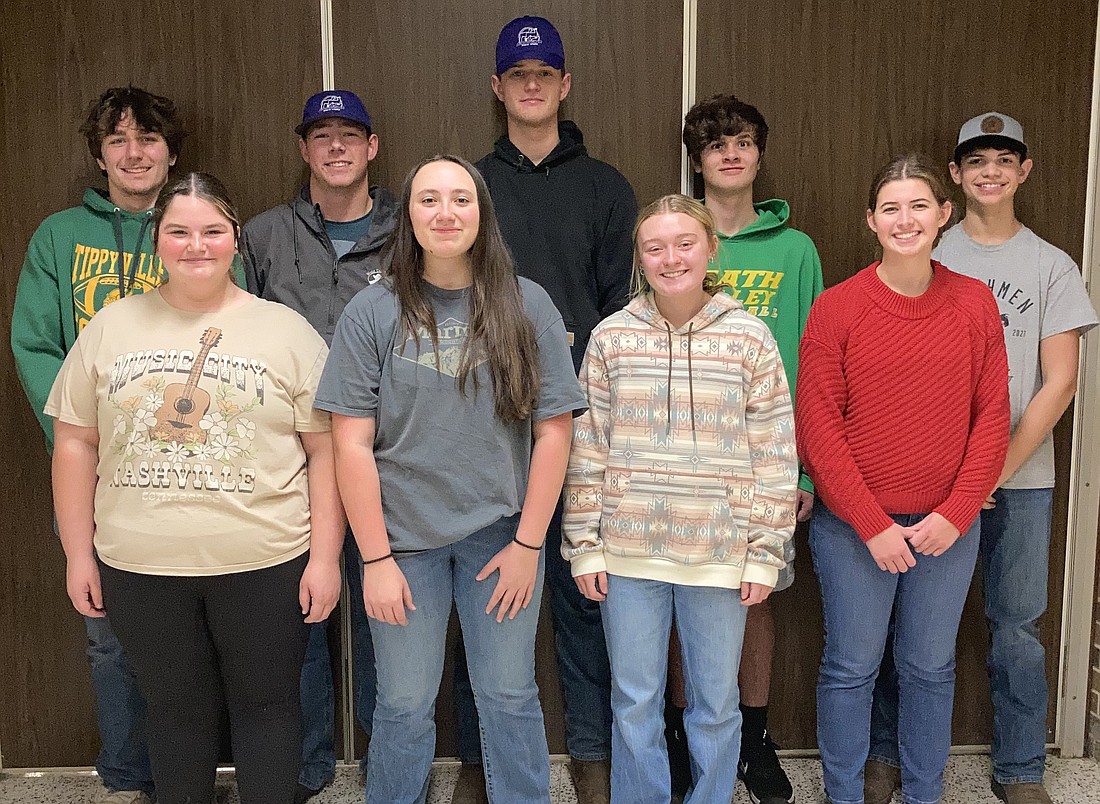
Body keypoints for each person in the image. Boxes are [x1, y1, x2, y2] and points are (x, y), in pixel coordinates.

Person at [46, 172, 343, 804]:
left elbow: (327, 451)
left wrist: (324, 558)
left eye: (212, 231)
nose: (196, 245)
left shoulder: (285, 331)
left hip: (268, 562)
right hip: (140, 567)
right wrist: (78, 553)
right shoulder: (111, 327)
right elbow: (74, 442)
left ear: (236, 239)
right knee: (174, 715)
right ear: (158, 241)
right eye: (178, 231)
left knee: (268, 712)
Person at [315, 154, 586, 804]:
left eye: (460, 199)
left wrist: (527, 545)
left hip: (501, 540)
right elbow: (348, 444)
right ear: (408, 215)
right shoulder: (372, 312)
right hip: (402, 546)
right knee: (405, 704)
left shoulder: (528, 303)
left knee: (508, 694)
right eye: (428, 199)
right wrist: (375, 558)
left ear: (481, 213)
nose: (445, 213)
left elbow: (555, 431)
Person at [866, 116, 1099, 804]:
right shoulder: (925, 251)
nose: (990, 171)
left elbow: (1060, 381)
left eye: (1005, 159)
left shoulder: (1052, 265)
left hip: (1018, 481)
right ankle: (885, 756)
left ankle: (1022, 767)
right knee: (899, 627)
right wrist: (956, 483)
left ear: (1024, 171)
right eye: (976, 161)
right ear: (956, 178)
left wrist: (987, 476)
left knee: (1017, 626)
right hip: (922, 483)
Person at [451, 16, 638, 803]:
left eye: (545, 73)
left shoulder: (607, 187)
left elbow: (615, 310)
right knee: (480, 598)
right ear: (497, 88)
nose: (531, 84)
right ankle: (476, 762)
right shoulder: (467, 185)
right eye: (516, 74)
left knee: (581, 596)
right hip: (476, 430)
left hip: (579, 423)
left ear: (564, 85)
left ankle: (591, 759)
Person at [562, 193, 798, 804]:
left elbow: (775, 450)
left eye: (685, 243)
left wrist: (764, 551)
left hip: (720, 556)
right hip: (628, 554)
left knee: (716, 705)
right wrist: (584, 546)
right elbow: (586, 446)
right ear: (640, 259)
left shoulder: (750, 338)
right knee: (634, 702)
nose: (672, 258)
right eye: (655, 247)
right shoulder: (611, 338)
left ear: (710, 248)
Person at [796, 153, 1010, 804]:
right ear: (871, 221)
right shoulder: (837, 309)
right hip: (854, 530)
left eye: (920, 204)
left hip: (948, 528)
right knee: (851, 667)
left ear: (944, 214)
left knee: (928, 669)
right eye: (891, 207)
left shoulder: (974, 304)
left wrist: (955, 513)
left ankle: (923, 794)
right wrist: (873, 524)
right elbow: (819, 429)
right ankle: (843, 794)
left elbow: (992, 419)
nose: (905, 218)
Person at [11, 85, 188, 804]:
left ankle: (186, 773)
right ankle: (124, 780)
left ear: (172, 154)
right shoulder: (57, 237)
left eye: (148, 138)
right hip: (89, 470)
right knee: (110, 637)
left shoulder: (198, 226)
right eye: (118, 139)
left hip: (186, 467)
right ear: (98, 154)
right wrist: (83, 437)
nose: (134, 152)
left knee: (190, 632)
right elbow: (34, 347)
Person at [241, 88, 397, 803]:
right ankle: (305, 769)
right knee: (295, 617)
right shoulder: (264, 235)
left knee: (385, 612)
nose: (336, 146)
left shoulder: (409, 230)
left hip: (388, 455)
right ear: (304, 150)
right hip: (288, 460)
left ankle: (385, 764)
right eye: (321, 135)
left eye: (349, 134)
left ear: (371, 149)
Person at [675, 92, 823, 804]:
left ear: (759, 154)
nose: (730, 154)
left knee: (753, 597)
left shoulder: (795, 251)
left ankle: (752, 736)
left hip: (765, 461)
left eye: (741, 142)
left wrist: (802, 469)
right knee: (679, 598)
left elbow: (816, 364)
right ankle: (684, 735)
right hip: (682, 462)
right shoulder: (679, 241)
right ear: (698, 160)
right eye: (715, 144)